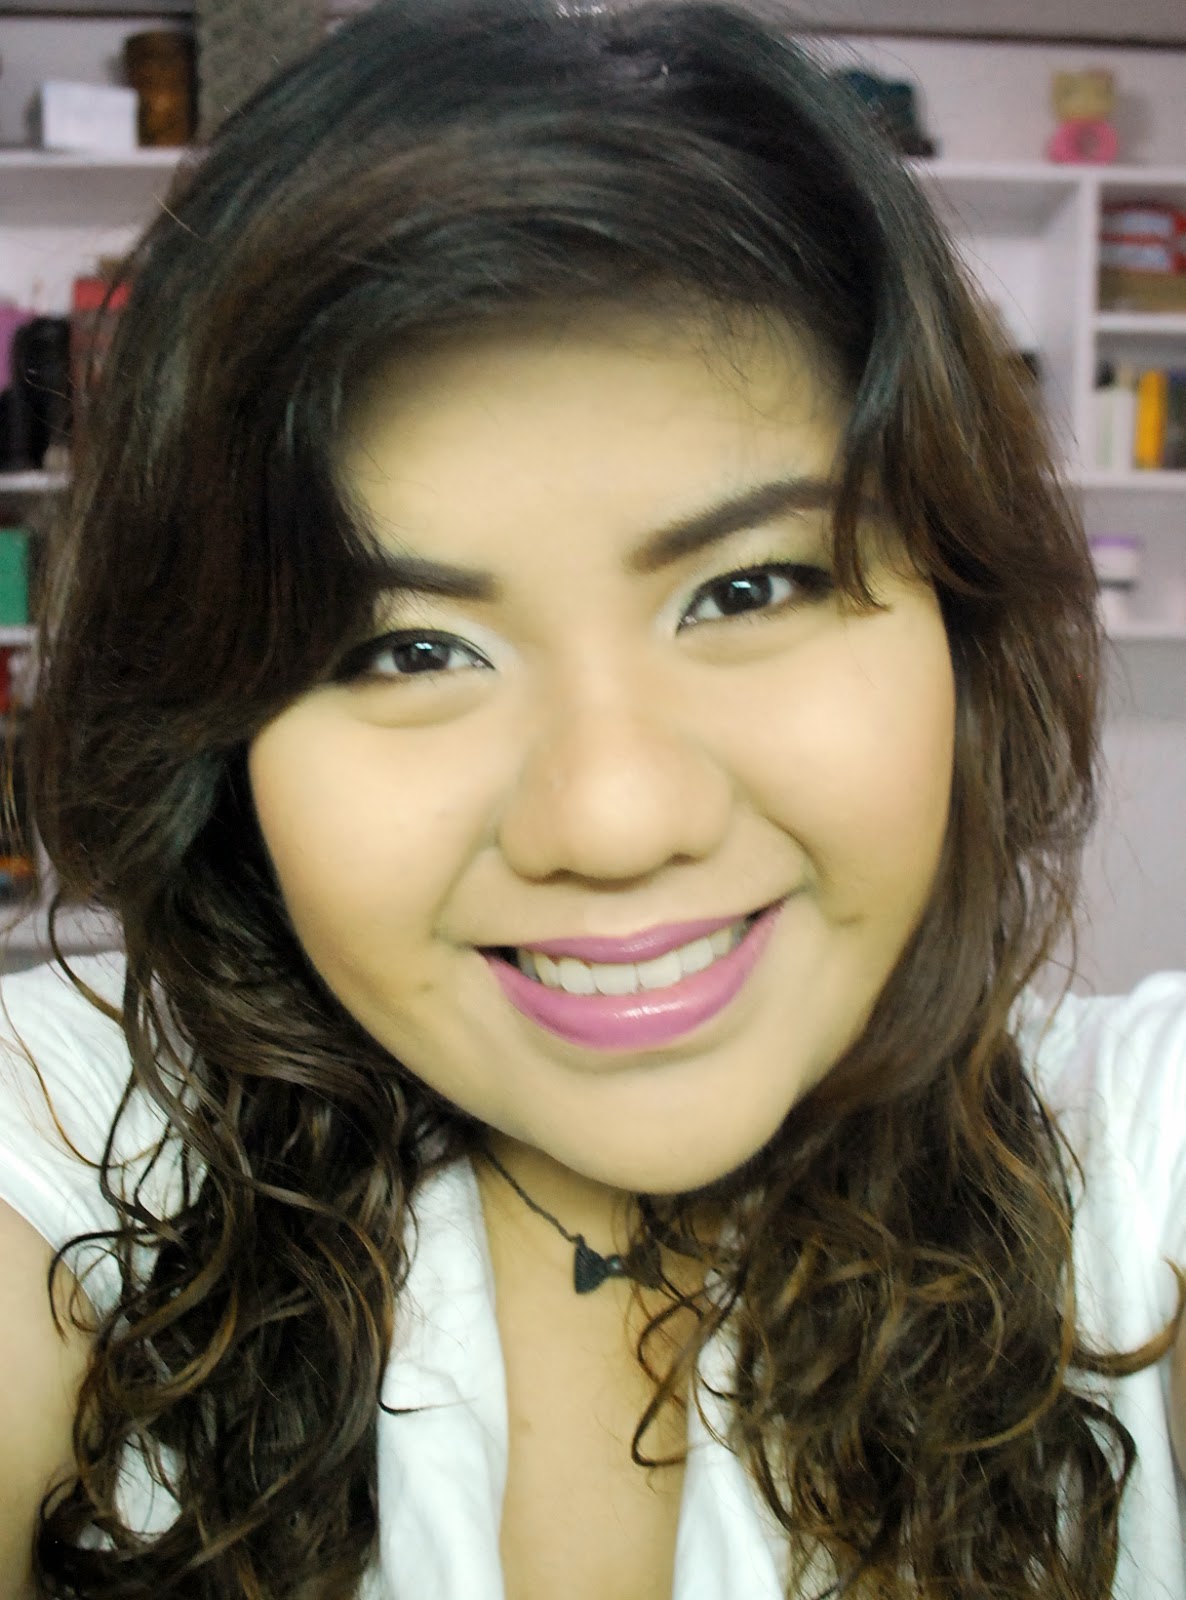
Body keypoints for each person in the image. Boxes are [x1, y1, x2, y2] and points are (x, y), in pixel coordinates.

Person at [0, 1, 1182, 1595]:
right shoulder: (74, 1141)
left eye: (747, 587)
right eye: (404, 648)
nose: (613, 822)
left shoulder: (1131, 1170)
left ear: (957, 622)